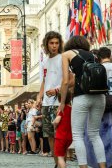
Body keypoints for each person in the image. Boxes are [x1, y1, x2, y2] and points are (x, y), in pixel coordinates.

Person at [60, 35, 106, 168]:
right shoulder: (94, 56)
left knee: (78, 135)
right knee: (95, 135)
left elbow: (66, 81)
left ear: (70, 44)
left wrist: (63, 102)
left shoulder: (67, 54)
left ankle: (83, 166)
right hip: (100, 96)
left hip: (82, 96)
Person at [37, 31, 63, 166]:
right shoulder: (44, 61)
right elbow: (43, 82)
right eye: (51, 43)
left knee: (59, 135)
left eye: (57, 43)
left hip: (59, 102)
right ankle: (56, 163)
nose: (54, 46)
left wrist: (57, 89)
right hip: (46, 104)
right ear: (47, 44)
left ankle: (61, 162)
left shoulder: (63, 58)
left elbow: (69, 79)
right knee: (49, 136)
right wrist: (38, 98)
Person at [98, 47, 112, 132]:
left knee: (105, 127)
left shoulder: (97, 69)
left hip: (103, 101)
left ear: (99, 57)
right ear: (110, 56)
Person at [53, 90, 72, 168]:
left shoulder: (62, 109)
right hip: (69, 137)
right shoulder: (72, 109)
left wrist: (54, 125)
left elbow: (57, 121)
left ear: (59, 99)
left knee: (60, 157)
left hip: (60, 136)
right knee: (64, 154)